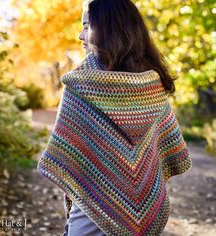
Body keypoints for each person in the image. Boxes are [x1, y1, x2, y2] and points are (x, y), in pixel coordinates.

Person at [37, 0, 193, 235]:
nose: (80, 35)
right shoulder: (153, 87)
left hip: (88, 220)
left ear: (110, 29)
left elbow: (67, 158)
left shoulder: (79, 86)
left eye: (87, 26)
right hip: (111, 214)